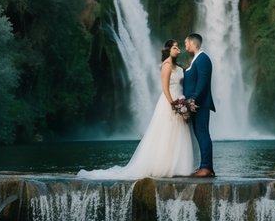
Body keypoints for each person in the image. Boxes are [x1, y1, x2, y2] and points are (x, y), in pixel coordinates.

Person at [79, 39, 198, 179]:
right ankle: (164, 166)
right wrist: (173, 104)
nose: (178, 49)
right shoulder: (166, 66)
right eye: (175, 47)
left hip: (181, 99)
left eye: (178, 47)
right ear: (168, 50)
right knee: (166, 134)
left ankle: (180, 166)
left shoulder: (179, 67)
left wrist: (183, 102)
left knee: (179, 133)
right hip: (169, 102)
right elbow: (165, 87)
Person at [183, 32, 216, 177]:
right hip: (194, 104)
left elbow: (203, 82)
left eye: (185, 43)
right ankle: (205, 166)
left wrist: (193, 100)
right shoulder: (196, 59)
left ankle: (206, 167)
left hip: (199, 104)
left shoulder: (203, 59)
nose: (185, 46)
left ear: (191, 42)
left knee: (202, 133)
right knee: (200, 134)